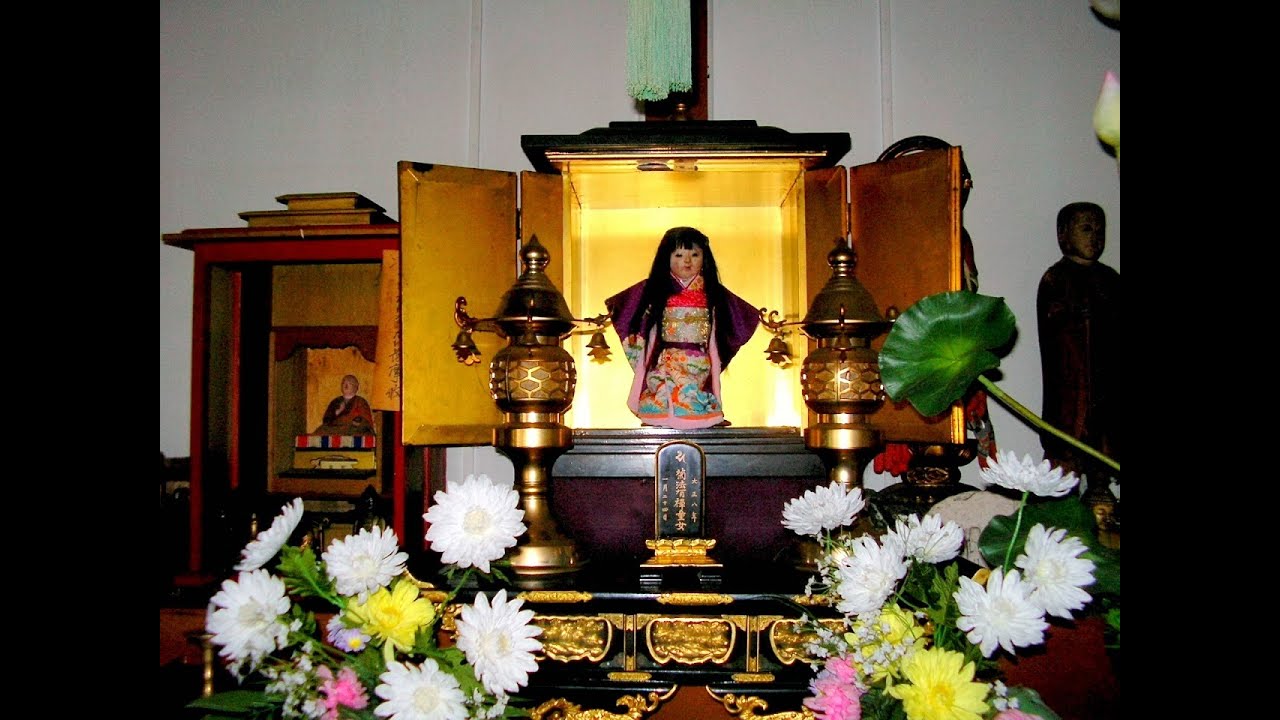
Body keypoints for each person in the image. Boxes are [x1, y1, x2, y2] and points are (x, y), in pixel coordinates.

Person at [605, 226, 760, 429]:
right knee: (663, 391)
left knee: (694, 392)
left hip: (699, 359)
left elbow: (739, 316)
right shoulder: (655, 289)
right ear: (666, 258)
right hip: (667, 358)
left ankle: (704, 416)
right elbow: (628, 307)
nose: (687, 261)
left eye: (694, 255)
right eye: (678, 255)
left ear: (704, 258)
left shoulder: (712, 292)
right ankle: (661, 417)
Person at [1037, 201, 1119, 484]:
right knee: (1067, 452)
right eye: (1086, 229)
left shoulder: (1110, 280)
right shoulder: (1056, 279)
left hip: (1106, 384)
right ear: (1063, 234)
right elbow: (1056, 331)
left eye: (1099, 230)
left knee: (1105, 447)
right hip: (1072, 388)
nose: (1095, 237)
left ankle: (1101, 489)